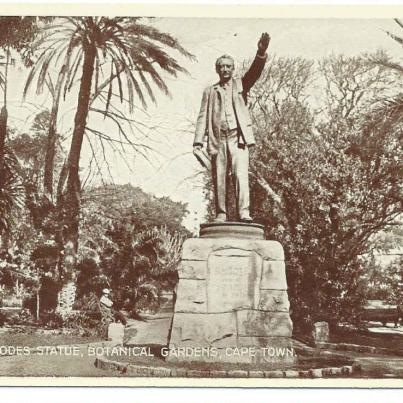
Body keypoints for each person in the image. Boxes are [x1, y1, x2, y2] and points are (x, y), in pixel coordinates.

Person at [193, 33, 270, 222]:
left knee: (240, 175)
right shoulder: (210, 91)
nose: (225, 69)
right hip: (218, 139)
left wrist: (260, 53)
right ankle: (221, 213)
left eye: (228, 66)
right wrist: (197, 141)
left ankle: (244, 212)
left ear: (233, 69)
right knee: (219, 176)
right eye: (221, 67)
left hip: (238, 139)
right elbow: (202, 116)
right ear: (217, 70)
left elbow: (254, 72)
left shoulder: (241, 85)